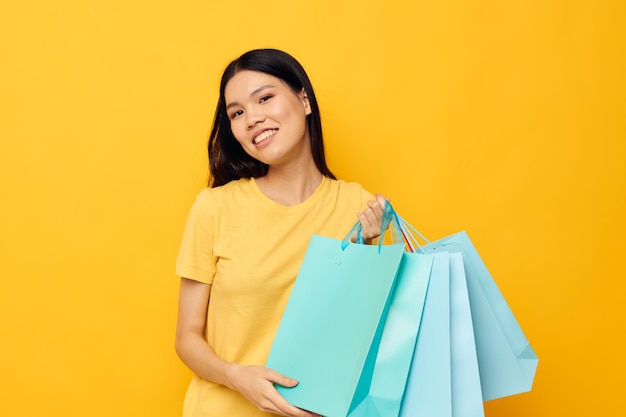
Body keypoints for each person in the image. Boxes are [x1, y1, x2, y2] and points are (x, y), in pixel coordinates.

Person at [175, 48, 387, 417]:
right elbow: (186, 338)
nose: (252, 118)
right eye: (237, 113)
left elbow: (366, 336)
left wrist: (370, 251)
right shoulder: (213, 208)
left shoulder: (359, 207)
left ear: (304, 99)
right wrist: (238, 377)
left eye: (265, 98)